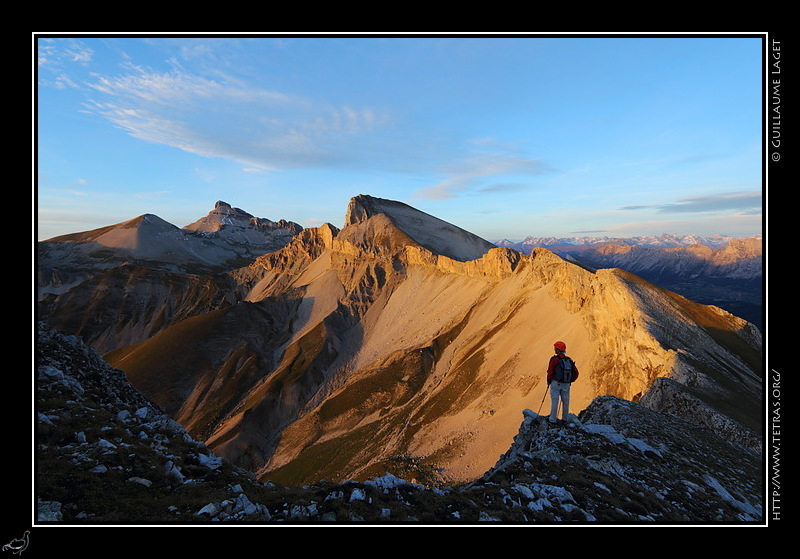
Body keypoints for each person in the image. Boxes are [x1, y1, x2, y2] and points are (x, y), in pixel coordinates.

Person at [546, 341, 579, 424]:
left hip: (556, 383)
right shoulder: (569, 360)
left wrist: (549, 381)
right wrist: (570, 381)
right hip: (566, 384)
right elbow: (576, 373)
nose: (554, 350)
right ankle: (565, 418)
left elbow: (550, 371)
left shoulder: (554, 359)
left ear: (558, 350)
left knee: (555, 400)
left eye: (555, 349)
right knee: (566, 401)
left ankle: (552, 419)